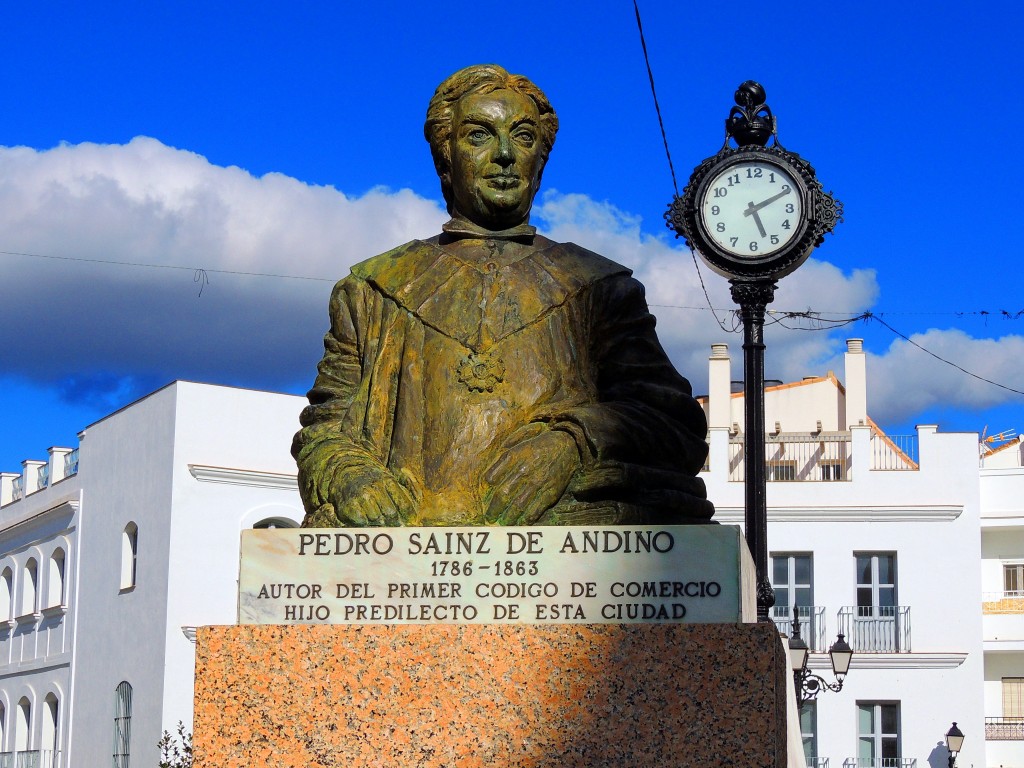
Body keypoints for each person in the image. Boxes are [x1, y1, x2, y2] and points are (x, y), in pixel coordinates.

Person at [292, 64, 713, 528]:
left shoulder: (599, 287)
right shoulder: (373, 290)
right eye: (479, 136)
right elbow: (327, 425)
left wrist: (575, 442)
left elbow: (676, 423)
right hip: (405, 553)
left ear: (540, 162)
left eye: (524, 137)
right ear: (445, 158)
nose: (506, 154)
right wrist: (351, 476)